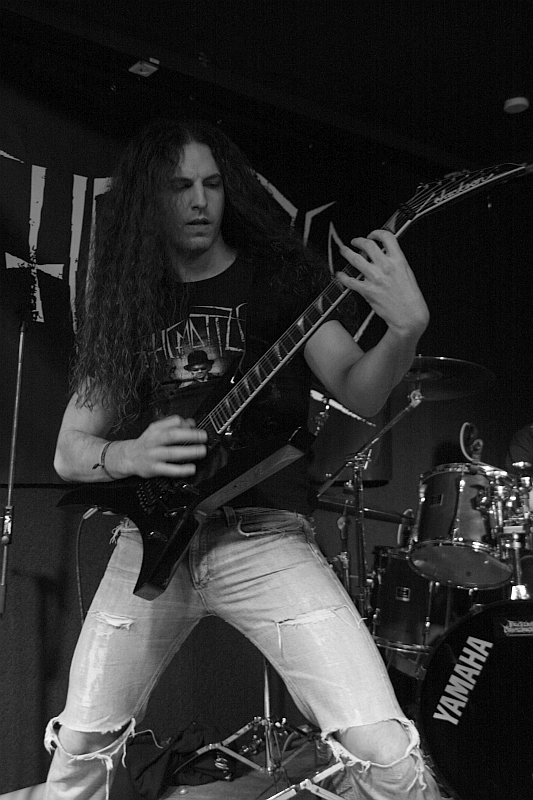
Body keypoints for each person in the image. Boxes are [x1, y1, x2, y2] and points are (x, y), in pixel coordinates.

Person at [44, 116, 442, 800]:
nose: (199, 201)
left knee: (385, 753)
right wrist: (131, 452)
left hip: (261, 537)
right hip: (150, 547)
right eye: (179, 187)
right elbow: (69, 453)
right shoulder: (130, 304)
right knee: (79, 750)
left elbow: (359, 389)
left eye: (211, 184)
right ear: (148, 199)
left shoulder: (279, 281)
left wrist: (404, 331)